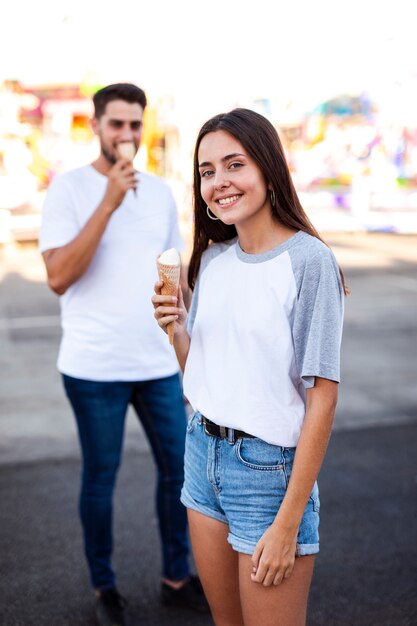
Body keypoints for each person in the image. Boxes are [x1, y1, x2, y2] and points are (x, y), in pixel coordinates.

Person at [152, 108, 346, 626]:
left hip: (268, 475)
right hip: (202, 455)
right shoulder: (213, 261)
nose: (218, 182)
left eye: (233, 164)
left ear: (267, 167)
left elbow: (322, 396)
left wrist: (288, 524)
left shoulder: (309, 262)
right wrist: (175, 331)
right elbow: (204, 381)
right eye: (207, 170)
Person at [39, 83, 207, 626]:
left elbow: (173, 271)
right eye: (117, 124)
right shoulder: (67, 190)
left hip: (158, 363)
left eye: (136, 125)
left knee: (179, 472)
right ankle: (103, 588)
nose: (128, 135)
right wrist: (109, 202)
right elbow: (59, 277)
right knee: (100, 477)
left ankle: (178, 577)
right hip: (94, 367)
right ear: (96, 126)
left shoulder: (159, 192)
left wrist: (188, 327)